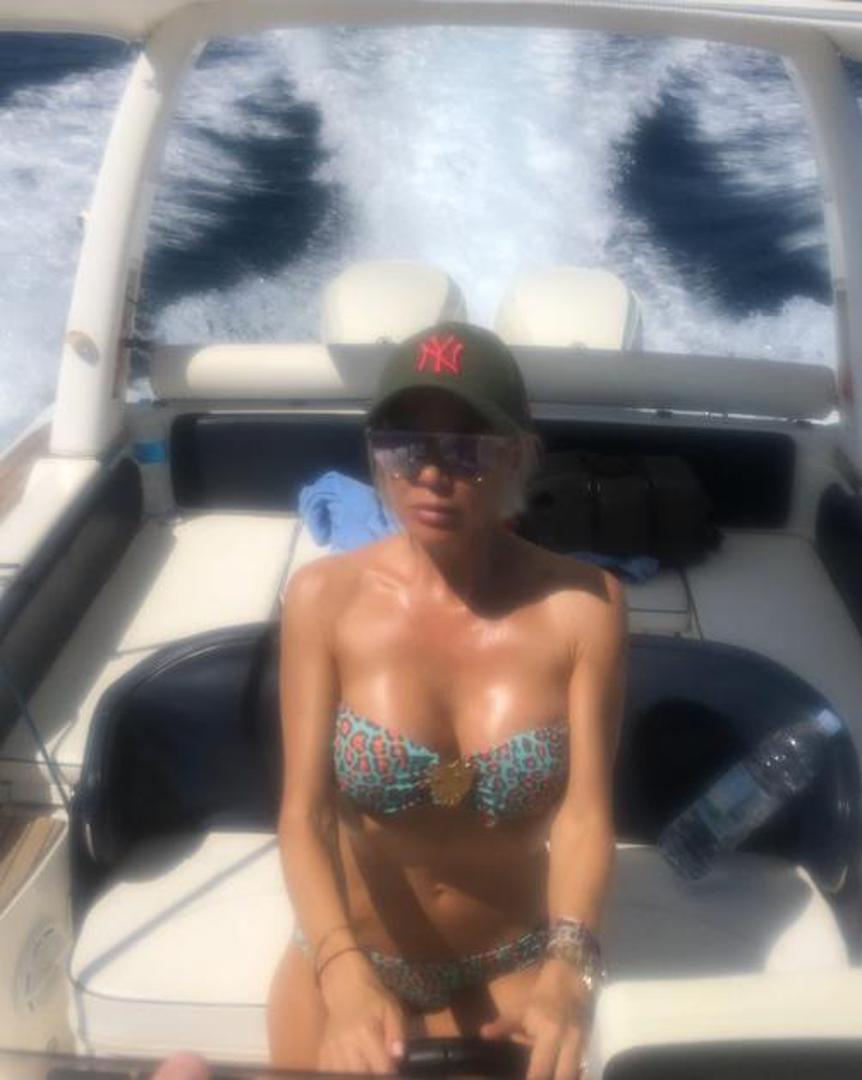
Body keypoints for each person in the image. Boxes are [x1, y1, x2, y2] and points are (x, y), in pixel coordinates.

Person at [267, 321, 628, 1079]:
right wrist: (340, 970)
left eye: (466, 448)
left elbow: (586, 815)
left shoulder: (586, 607)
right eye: (406, 446)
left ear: (517, 455)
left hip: (516, 961)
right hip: (351, 957)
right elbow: (305, 814)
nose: (432, 473)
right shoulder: (321, 598)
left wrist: (571, 965)